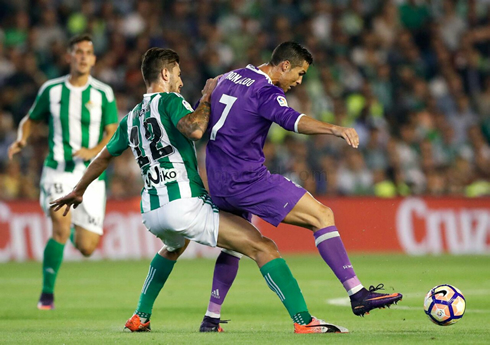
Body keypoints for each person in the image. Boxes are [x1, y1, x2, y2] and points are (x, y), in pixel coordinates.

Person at [50, 47, 349, 334]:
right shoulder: (171, 101)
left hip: (152, 211)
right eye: (178, 74)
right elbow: (195, 129)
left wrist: (79, 190)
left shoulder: (132, 117)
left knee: (173, 247)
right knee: (263, 247)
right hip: (184, 205)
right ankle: (304, 320)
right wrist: (206, 98)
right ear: (165, 74)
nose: (181, 81)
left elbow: (103, 156)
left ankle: (141, 315)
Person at [199, 41, 403, 332]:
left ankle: (211, 319)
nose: (299, 81)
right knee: (322, 216)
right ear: (284, 65)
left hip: (218, 181)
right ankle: (357, 293)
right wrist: (335, 128)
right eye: (300, 73)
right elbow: (291, 120)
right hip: (247, 180)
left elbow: (200, 119)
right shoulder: (266, 89)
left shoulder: (228, 77)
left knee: (235, 246)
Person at [8, 34, 118, 310]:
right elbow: (30, 120)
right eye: (78, 52)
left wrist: (94, 151)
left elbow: (112, 132)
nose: (83, 56)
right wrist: (21, 138)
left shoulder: (103, 93)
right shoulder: (52, 90)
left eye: (88, 52)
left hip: (92, 176)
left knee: (87, 247)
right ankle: (47, 295)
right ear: (69, 57)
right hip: (57, 171)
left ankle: (71, 234)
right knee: (59, 226)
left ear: (93, 59)